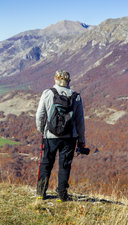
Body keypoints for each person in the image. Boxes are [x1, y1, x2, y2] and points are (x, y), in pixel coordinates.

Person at [35, 70, 85, 201]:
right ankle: (62, 195)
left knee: (46, 163)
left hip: (50, 136)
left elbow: (40, 115)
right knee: (65, 165)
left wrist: (42, 130)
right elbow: (80, 121)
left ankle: (41, 192)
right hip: (70, 137)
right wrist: (81, 140)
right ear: (69, 81)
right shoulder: (76, 96)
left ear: (55, 79)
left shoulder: (47, 93)